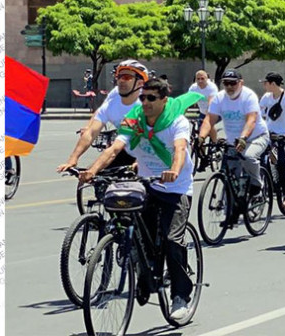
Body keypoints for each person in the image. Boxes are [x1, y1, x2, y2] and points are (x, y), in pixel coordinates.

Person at [78, 78, 197, 321]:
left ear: (164, 99)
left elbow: (180, 150)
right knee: (136, 235)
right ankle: (144, 276)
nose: (145, 103)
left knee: (171, 239)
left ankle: (180, 295)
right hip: (146, 185)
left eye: (151, 98)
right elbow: (114, 149)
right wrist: (91, 171)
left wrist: (174, 170)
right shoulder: (136, 120)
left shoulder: (177, 122)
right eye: (142, 97)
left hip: (176, 187)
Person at [57, 60, 147, 173]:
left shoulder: (149, 103)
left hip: (154, 154)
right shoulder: (114, 99)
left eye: (127, 77)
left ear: (140, 83)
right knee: (91, 176)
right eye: (119, 77)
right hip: (126, 149)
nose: (120, 81)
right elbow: (91, 132)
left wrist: (141, 161)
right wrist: (73, 159)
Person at [200, 70, 271, 202]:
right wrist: (201, 138)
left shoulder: (249, 96)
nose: (229, 87)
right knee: (230, 173)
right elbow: (209, 119)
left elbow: (251, 120)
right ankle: (232, 208)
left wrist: (243, 138)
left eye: (233, 83)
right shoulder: (219, 98)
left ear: (241, 83)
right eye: (226, 83)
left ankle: (257, 185)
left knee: (248, 156)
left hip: (256, 136)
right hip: (233, 141)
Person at [261, 72, 285, 208]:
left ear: (272, 84)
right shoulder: (266, 97)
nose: (264, 85)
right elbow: (257, 112)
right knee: (260, 157)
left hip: (284, 135)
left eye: (265, 83)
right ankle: (266, 184)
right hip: (269, 133)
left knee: (282, 163)